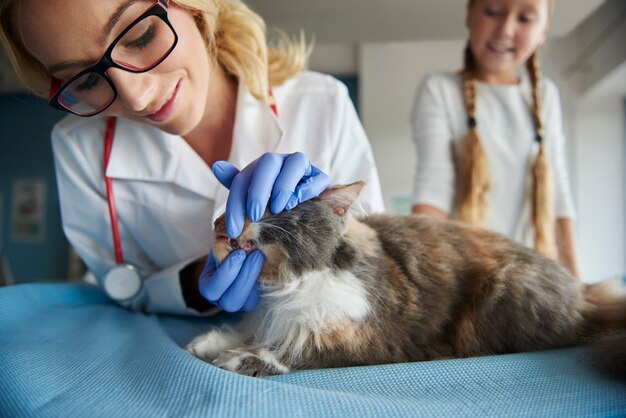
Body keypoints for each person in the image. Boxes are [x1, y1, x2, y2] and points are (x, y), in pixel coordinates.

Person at [0, 0, 384, 314]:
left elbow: (376, 265)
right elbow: (124, 287)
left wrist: (324, 213)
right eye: (84, 80)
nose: (136, 97)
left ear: (195, 8)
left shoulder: (322, 102)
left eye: (140, 36)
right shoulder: (79, 146)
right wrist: (196, 282)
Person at [410, 0, 580, 279]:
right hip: (470, 279)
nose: (505, 29)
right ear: (470, 15)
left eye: (525, 19)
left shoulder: (546, 95)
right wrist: (426, 277)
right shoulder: (439, 89)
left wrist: (578, 284)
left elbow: (558, 193)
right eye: (492, 12)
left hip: (538, 279)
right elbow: (433, 191)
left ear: (543, 31)